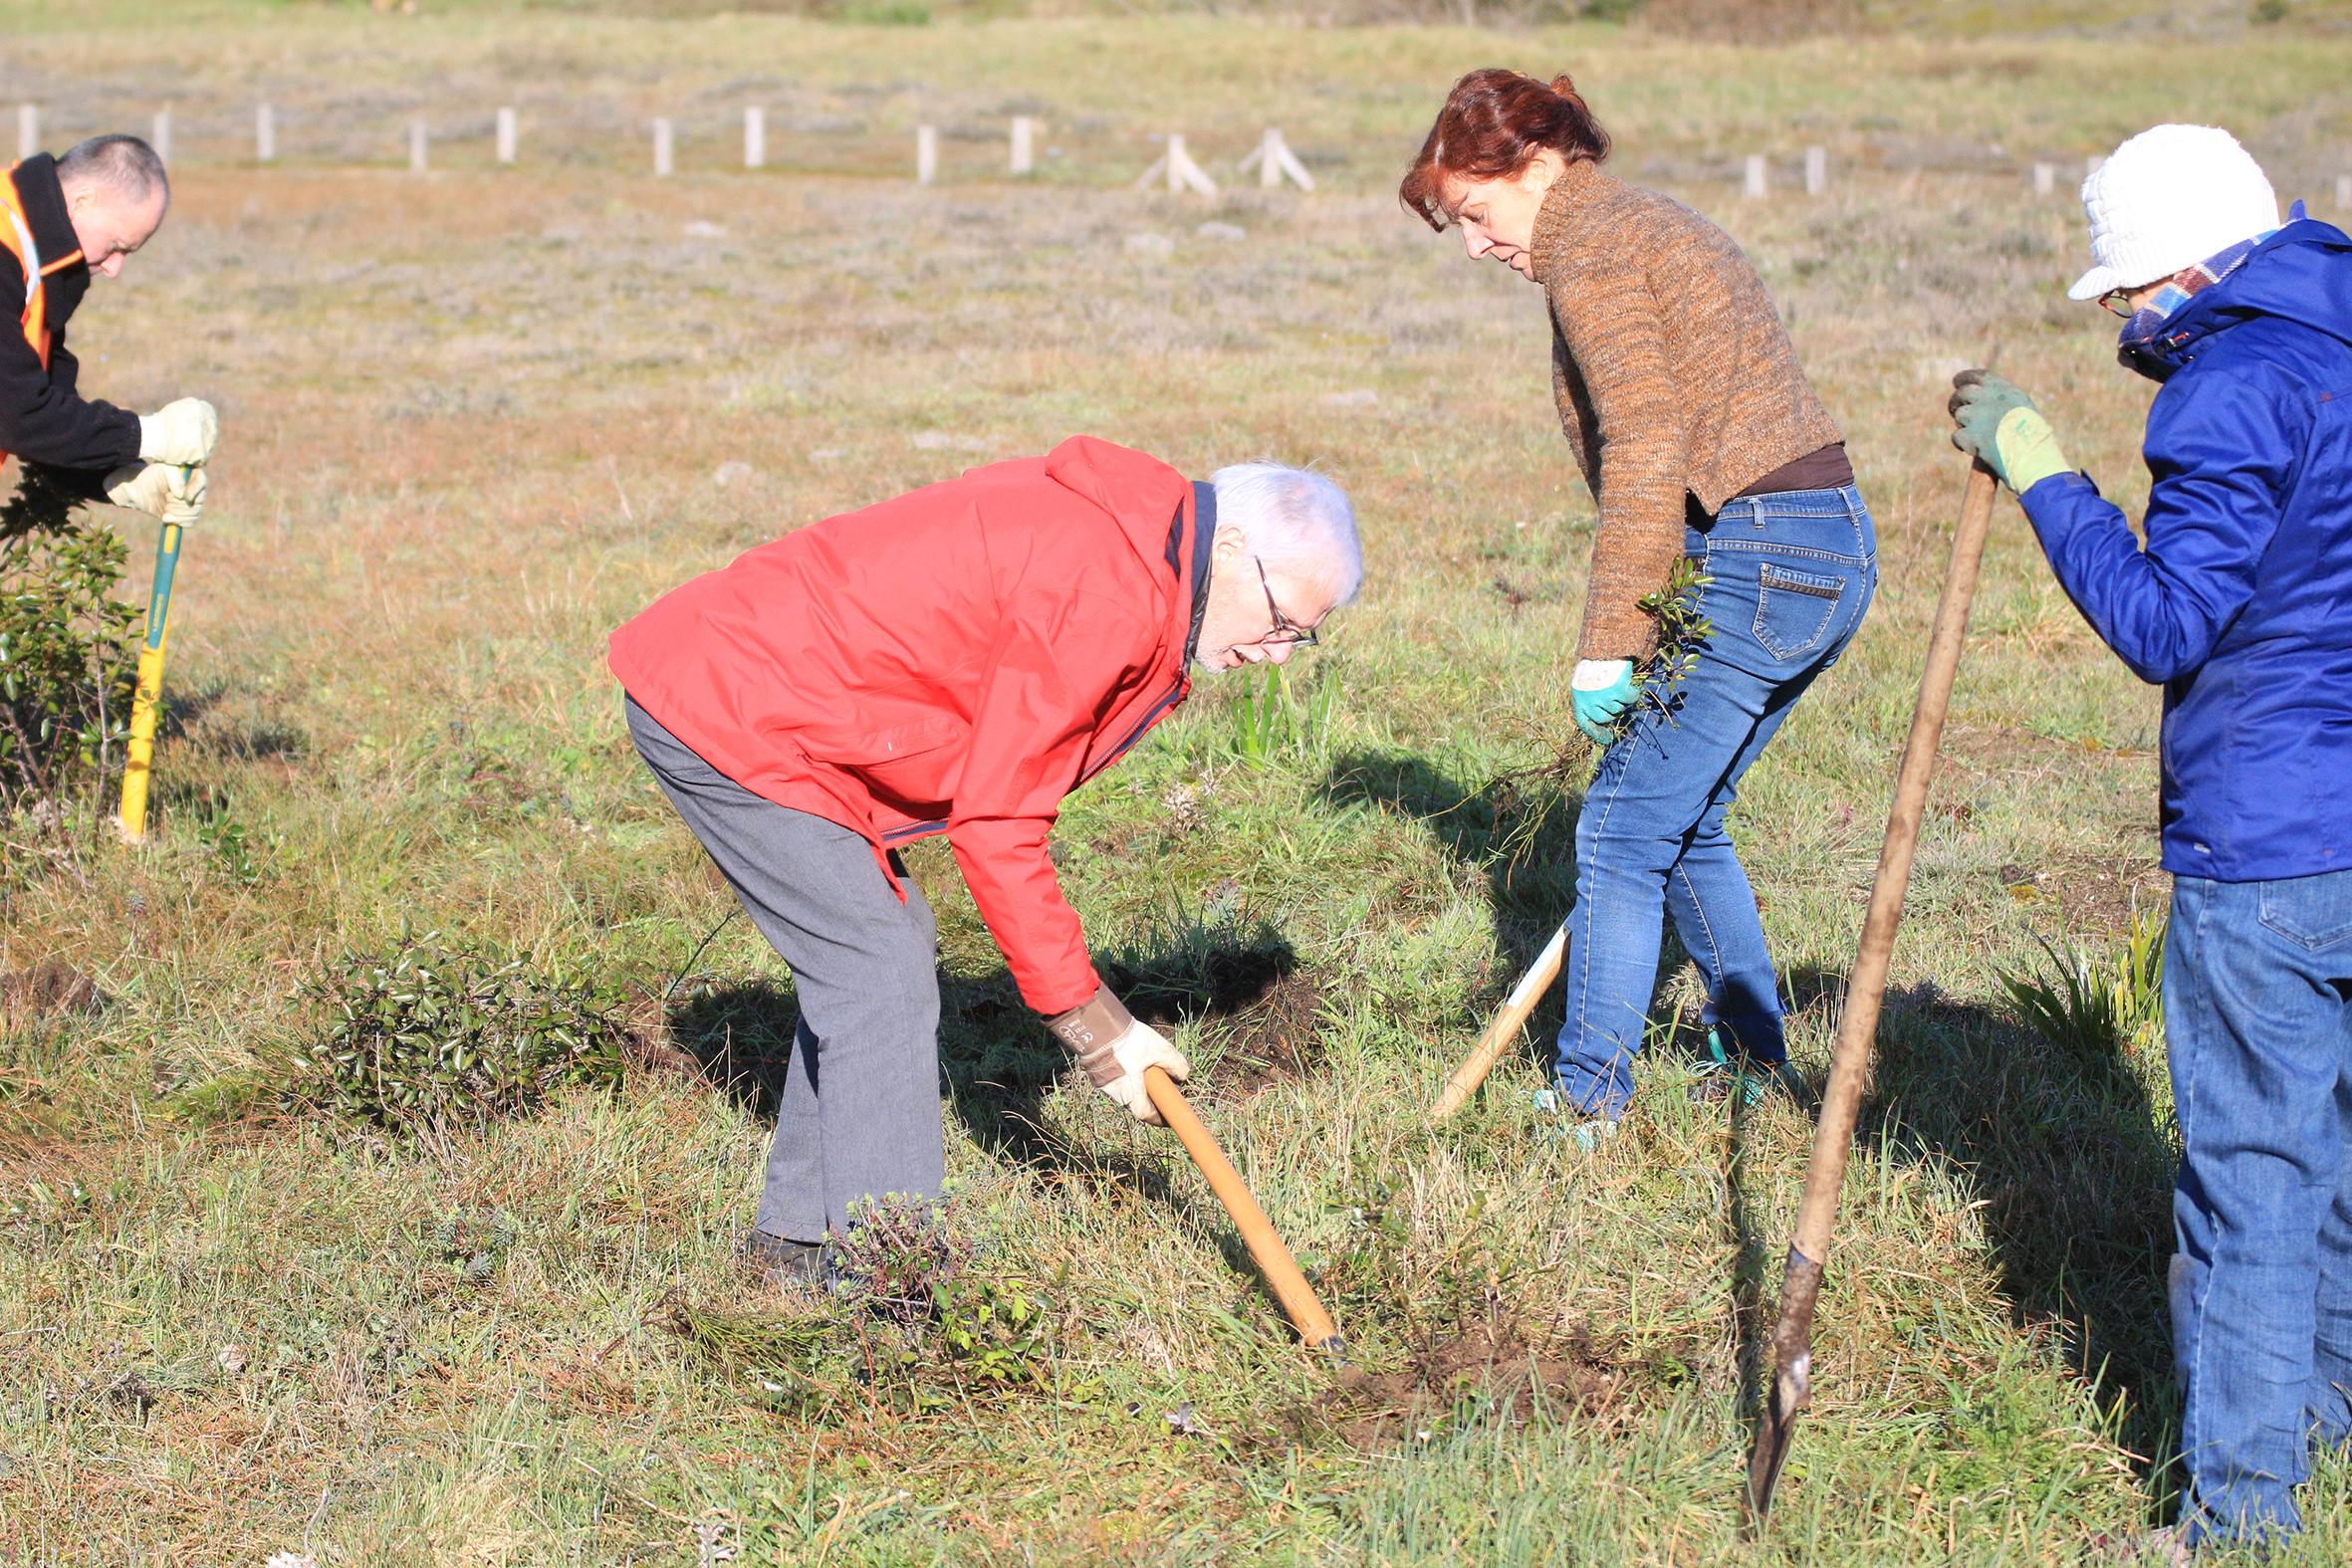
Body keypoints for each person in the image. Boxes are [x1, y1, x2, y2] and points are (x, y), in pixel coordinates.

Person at [608, 439, 1361, 1278]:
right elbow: (998, 822)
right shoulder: (1109, 589)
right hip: (730, 702)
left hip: (778, 699)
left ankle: (795, 1248)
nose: (1281, 652)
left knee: (877, 951)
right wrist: (1096, 1031)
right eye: (1282, 619)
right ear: (1229, 550)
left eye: (1306, 636)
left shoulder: (1143, 546)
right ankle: (893, 1286)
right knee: (876, 967)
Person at [1948, 124, 2352, 1553]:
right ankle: (2323, 1426)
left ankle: (2240, 1518)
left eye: (2124, 297)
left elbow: (2162, 621)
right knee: (2342, 1157)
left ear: (2187, 272)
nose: (2124, 320)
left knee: (2253, 1179)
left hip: (2272, 840)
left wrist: (2044, 471)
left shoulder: (2229, 388)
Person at [1398, 70, 1875, 1130]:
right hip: (1819, 549)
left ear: (1532, 166)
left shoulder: (1597, 249)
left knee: (1616, 832)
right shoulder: (1636, 220)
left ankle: (1586, 1105)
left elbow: (1649, 448)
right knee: (1683, 815)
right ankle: (1752, 1062)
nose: (1474, 247)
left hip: (1759, 554)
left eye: (1475, 215)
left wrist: (1609, 643)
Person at [2, 133, 214, 525]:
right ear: (82, 201)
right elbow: (16, 411)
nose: (115, 268)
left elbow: (46, 409)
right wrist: (148, 434)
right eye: (116, 245)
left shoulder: (32, 257)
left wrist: (125, 479)